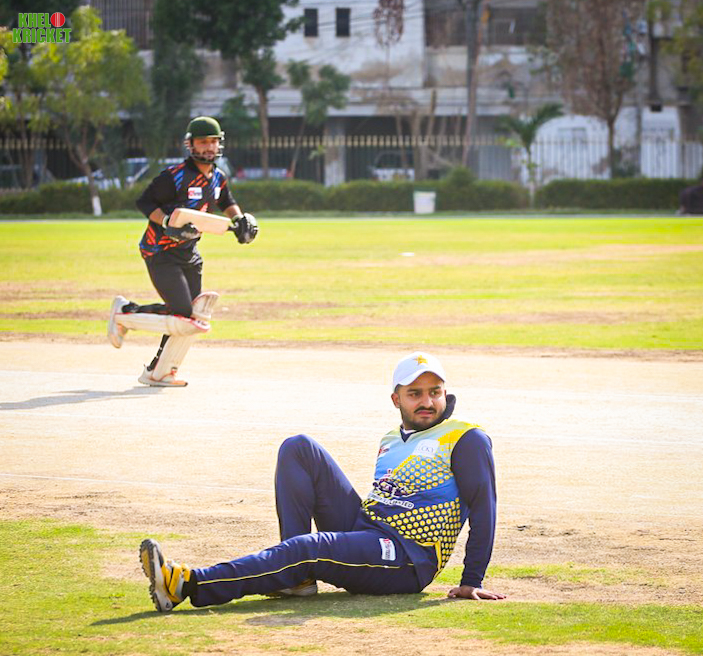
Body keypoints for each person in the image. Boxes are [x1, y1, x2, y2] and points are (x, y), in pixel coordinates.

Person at [139, 352, 506, 611]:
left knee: (311, 548)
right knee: (299, 448)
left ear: (445, 393)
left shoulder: (465, 438)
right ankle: (295, 580)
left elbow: (484, 508)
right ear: (396, 399)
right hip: (367, 529)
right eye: (415, 394)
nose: (427, 401)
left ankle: (187, 584)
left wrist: (472, 579)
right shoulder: (391, 439)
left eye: (435, 391)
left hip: (407, 558)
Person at [106, 116, 258, 387]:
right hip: (159, 251)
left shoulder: (217, 177)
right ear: (191, 144)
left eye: (213, 141)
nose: (209, 147)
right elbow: (144, 202)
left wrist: (240, 219)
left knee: (190, 315)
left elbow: (227, 200)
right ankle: (124, 313)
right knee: (181, 312)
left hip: (189, 254)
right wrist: (166, 222)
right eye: (203, 142)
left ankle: (159, 371)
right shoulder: (175, 176)